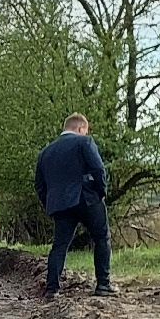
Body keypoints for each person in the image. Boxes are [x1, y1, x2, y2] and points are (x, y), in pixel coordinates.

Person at [34, 113, 116, 299]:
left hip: (60, 205)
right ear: (80, 128)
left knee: (60, 245)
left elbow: (39, 185)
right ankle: (103, 284)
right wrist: (101, 192)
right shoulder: (84, 143)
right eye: (85, 130)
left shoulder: (45, 152)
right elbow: (98, 169)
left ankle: (52, 288)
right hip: (87, 198)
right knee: (102, 237)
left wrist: (50, 202)